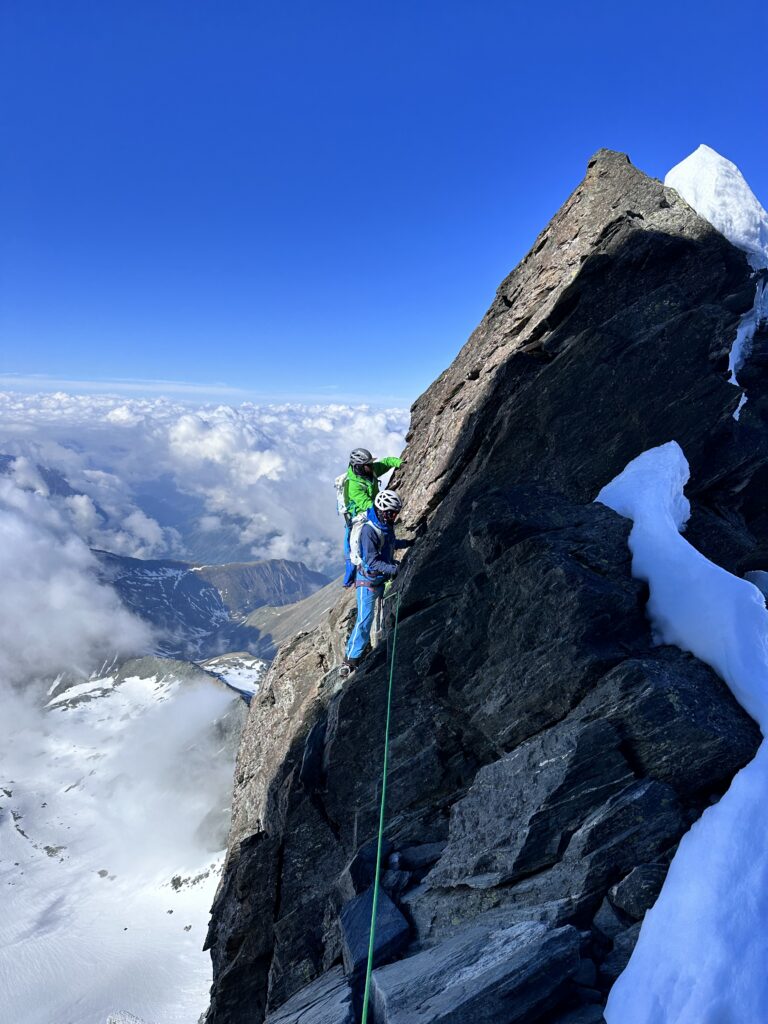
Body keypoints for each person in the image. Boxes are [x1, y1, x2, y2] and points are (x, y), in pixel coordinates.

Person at [344, 489, 409, 672]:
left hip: (379, 579)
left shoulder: (383, 524)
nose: (394, 516)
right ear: (382, 510)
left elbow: (389, 543)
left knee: (376, 620)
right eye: (392, 513)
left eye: (395, 513)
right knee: (364, 620)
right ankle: (350, 660)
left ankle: (365, 651)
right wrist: (394, 569)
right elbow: (371, 561)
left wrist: (408, 543)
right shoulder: (368, 531)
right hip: (368, 581)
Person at [342, 448, 402, 587]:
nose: (371, 465)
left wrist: (399, 462)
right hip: (361, 513)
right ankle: (349, 580)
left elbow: (386, 463)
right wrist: (382, 508)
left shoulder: (370, 470)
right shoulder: (353, 485)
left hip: (375, 506)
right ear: (359, 466)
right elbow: (365, 504)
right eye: (367, 464)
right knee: (354, 550)